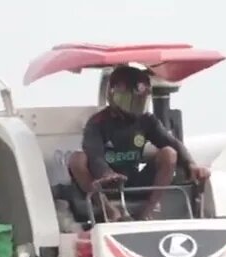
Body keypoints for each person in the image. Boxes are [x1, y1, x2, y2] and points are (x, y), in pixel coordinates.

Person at [66, 64, 210, 221]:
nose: (136, 107)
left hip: (133, 180)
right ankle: (108, 210)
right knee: (77, 159)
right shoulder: (97, 123)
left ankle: (149, 210)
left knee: (169, 154)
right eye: (131, 101)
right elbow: (95, 156)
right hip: (104, 184)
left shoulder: (147, 121)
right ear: (113, 96)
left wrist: (191, 164)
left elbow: (172, 143)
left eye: (140, 101)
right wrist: (106, 173)